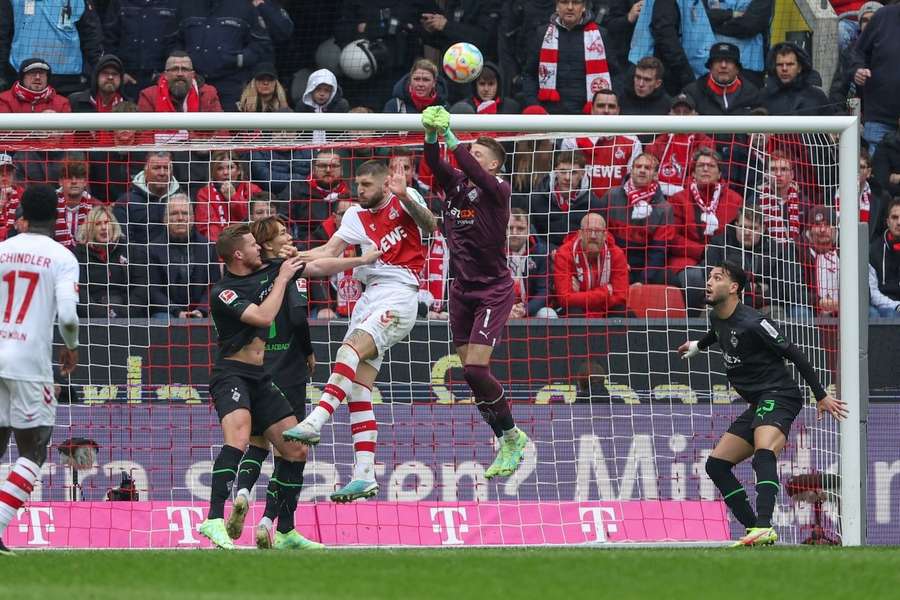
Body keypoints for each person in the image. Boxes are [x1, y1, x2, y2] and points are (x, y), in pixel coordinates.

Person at [199, 223, 378, 549]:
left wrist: (361, 261)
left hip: (261, 377)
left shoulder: (271, 268)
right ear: (238, 254)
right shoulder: (224, 292)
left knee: (296, 448)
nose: (259, 248)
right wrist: (282, 279)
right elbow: (264, 317)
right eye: (253, 245)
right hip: (231, 374)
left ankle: (283, 530)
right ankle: (213, 519)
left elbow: (319, 265)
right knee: (239, 440)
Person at [282, 160, 435, 502]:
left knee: (348, 351)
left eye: (366, 185)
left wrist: (406, 198)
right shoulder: (354, 215)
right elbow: (328, 253)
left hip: (399, 293)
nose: (358, 191)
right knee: (358, 389)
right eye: (357, 185)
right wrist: (291, 256)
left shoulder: (404, 197)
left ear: (384, 184)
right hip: (369, 297)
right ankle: (364, 474)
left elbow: (432, 225)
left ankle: (315, 421)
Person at [678, 261, 846, 547]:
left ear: (734, 289)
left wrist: (820, 395)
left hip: (780, 395)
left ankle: (765, 525)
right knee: (716, 465)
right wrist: (699, 345)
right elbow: (718, 333)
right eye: (709, 277)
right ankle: (753, 529)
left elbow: (795, 354)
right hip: (759, 401)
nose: (708, 281)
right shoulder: (716, 316)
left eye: (717, 277)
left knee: (763, 451)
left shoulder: (755, 322)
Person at [421, 105, 531, 479]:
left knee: (475, 367)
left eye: (478, 152)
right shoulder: (455, 187)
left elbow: (472, 168)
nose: (469, 152)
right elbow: (436, 163)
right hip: (461, 290)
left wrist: (451, 137)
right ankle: (505, 439)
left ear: (494, 165)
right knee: (470, 377)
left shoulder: (498, 189)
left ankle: (513, 437)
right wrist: (431, 134)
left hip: (493, 290)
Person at [0, 184, 80, 556]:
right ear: (57, 217)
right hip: (29, 363)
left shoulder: (2, 250)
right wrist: (71, 346)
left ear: (22, 216)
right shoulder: (61, 257)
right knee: (34, 448)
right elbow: (66, 315)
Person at [228, 216, 315, 549]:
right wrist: (308, 352)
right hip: (290, 370)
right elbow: (296, 316)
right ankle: (270, 524)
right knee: (291, 453)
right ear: (266, 244)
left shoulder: (249, 276)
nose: (289, 235)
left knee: (259, 443)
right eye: (282, 233)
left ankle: (243, 493)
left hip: (259, 369)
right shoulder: (286, 273)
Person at [520, 0, 613, 114]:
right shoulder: (542, 34)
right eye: (564, 2)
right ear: (557, 6)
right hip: (549, 115)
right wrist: (535, 107)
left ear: (584, 7)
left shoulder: (601, 35)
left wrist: (602, 109)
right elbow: (529, 74)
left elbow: (615, 74)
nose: (570, 7)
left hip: (589, 116)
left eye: (576, 2)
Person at [598, 152, 674, 284]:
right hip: (611, 261)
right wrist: (618, 264)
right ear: (631, 170)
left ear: (656, 175)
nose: (642, 170)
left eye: (647, 168)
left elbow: (658, 251)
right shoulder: (611, 195)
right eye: (638, 166)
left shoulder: (664, 209)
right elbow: (601, 235)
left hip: (643, 268)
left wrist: (643, 280)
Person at [145, 194, 219, 320]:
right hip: (167, 312)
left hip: (203, 312)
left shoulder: (208, 247)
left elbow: (214, 285)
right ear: (165, 219)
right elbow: (153, 290)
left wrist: (202, 310)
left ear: (193, 217)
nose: (180, 218)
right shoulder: (153, 249)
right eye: (174, 213)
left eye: (185, 213)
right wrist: (176, 311)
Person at [559, 90, 642, 198]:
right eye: (601, 106)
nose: (606, 111)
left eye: (611, 106)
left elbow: (632, 183)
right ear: (592, 109)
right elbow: (566, 180)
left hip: (616, 207)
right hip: (579, 206)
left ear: (618, 111)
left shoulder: (632, 143)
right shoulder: (572, 140)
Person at [552, 211, 629, 317]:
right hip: (578, 311)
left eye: (598, 231)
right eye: (588, 230)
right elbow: (564, 299)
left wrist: (580, 293)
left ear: (605, 235)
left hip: (605, 310)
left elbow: (621, 297)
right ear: (580, 234)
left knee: (622, 311)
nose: (593, 236)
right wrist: (605, 292)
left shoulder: (617, 254)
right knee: (573, 311)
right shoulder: (564, 254)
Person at [527, 149, 603, 248]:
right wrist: (549, 250)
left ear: (582, 174)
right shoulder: (536, 198)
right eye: (563, 172)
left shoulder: (593, 203)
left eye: (573, 173)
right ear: (555, 172)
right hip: (544, 254)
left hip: (578, 254)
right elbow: (532, 235)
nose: (567, 177)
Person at [645, 94, 717, 196]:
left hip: (692, 196)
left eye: (686, 113)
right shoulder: (656, 144)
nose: (681, 117)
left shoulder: (706, 143)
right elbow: (649, 172)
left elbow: (703, 175)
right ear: (669, 115)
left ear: (695, 115)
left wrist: (679, 189)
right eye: (677, 112)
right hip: (658, 195)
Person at [73, 205, 134, 319]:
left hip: (126, 314)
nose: (103, 227)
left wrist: (124, 312)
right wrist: (103, 314)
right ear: (90, 228)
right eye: (98, 224)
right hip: (93, 316)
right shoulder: (79, 254)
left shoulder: (128, 250)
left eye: (106, 222)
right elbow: (80, 293)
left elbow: (139, 288)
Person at [194, 151, 262, 242]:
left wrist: (234, 197)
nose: (225, 172)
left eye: (230, 167)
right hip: (219, 246)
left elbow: (253, 220)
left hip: (250, 243)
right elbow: (207, 227)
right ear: (213, 173)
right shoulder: (204, 194)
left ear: (239, 171)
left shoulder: (253, 190)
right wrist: (224, 246)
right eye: (220, 168)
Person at [507, 208, 555, 319]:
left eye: (520, 228)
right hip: (499, 309)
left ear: (528, 230)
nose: (514, 233)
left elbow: (544, 291)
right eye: (510, 228)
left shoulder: (541, 253)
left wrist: (525, 309)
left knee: (548, 314)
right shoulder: (493, 253)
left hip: (529, 307)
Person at [0, 58, 72, 113]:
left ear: (48, 78)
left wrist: (56, 125)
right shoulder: (3, 100)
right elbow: (3, 131)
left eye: (42, 74)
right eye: (32, 73)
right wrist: (39, 124)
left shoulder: (62, 102)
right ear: (22, 77)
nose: (37, 77)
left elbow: (68, 131)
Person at [868, 198, 900, 317]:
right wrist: (896, 306)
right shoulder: (873, 251)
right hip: (885, 308)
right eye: (894, 217)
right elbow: (873, 293)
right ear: (887, 222)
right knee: (892, 315)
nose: (899, 222)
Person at [382, 58, 449, 114]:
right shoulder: (394, 105)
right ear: (410, 81)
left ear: (434, 83)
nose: (420, 84)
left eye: (426, 80)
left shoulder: (444, 107)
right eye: (416, 79)